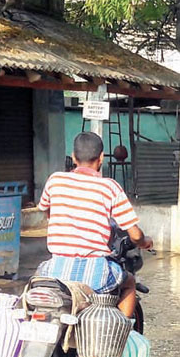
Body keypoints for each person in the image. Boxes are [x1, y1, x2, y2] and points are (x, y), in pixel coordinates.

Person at [37, 132, 153, 318]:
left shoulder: (55, 180)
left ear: (74, 157)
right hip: (93, 272)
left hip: (56, 270)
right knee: (129, 281)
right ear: (101, 158)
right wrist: (145, 242)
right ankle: (119, 335)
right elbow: (135, 235)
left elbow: (45, 209)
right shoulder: (110, 187)